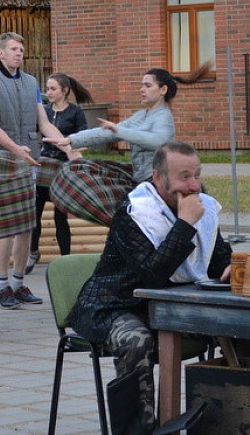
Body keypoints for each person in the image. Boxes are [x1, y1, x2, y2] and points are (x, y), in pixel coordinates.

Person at [68, 141, 232, 433]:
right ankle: (137, 430)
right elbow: (153, 275)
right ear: (159, 178)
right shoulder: (133, 213)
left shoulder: (198, 202)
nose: (194, 185)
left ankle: (225, 419)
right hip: (111, 305)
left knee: (235, 324)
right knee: (136, 340)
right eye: (184, 177)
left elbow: (218, 259)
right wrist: (184, 225)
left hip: (167, 308)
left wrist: (233, 268)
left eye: (197, 174)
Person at [46, 63, 210, 226]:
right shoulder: (141, 116)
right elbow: (108, 132)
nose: (142, 89)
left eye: (147, 85)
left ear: (163, 90)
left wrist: (119, 131)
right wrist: (71, 140)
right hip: (141, 180)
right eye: (141, 85)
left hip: (158, 185)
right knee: (77, 168)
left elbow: (158, 141)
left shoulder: (163, 117)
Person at [0, 32, 68, 309]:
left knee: (26, 224)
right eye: (13, 49)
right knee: (6, 224)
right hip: (2, 161)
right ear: (1, 53)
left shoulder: (30, 83)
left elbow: (44, 123)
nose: (19, 53)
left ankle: (18, 283)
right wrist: (17, 149)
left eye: (21, 49)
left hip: (29, 160)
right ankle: (2, 285)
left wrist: (68, 146)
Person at [27, 73, 94, 272]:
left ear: (64, 91)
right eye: (47, 89)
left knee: (60, 216)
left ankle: (66, 260)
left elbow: (83, 137)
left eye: (53, 89)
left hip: (63, 169)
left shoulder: (75, 112)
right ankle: (32, 252)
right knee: (35, 212)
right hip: (43, 167)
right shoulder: (44, 111)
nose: (48, 92)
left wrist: (75, 147)